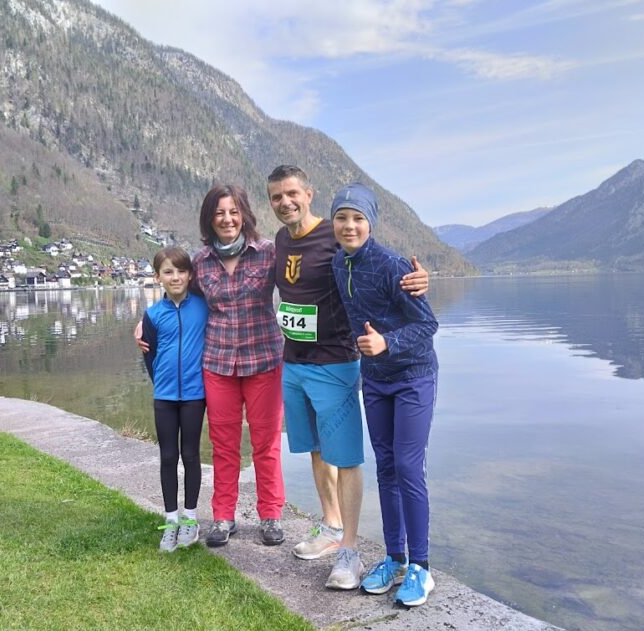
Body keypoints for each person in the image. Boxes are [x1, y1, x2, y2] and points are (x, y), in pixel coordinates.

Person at [267, 165, 429, 590]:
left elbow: (379, 268)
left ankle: (352, 552)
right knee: (316, 449)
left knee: (348, 456)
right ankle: (331, 527)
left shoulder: (335, 238)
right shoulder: (282, 241)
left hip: (335, 361)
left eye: (292, 194)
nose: (285, 202)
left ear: (309, 193)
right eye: (276, 197)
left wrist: (416, 281)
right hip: (294, 362)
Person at [330, 183, 439, 606]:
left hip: (413, 376)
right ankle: (394, 558)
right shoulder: (340, 264)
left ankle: (422, 568)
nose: (350, 225)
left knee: (409, 467)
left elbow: (428, 325)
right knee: (387, 467)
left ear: (371, 223)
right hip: (374, 379)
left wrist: (387, 343)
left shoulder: (393, 265)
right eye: (342, 217)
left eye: (358, 218)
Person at [194, 185, 287, 547]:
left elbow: (304, 284)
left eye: (233, 211)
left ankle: (270, 515)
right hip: (218, 363)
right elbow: (182, 302)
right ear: (210, 218)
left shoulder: (268, 254)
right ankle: (223, 517)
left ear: (244, 214)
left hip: (264, 360)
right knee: (223, 444)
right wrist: (147, 324)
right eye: (219, 213)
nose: (227, 219)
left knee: (266, 444)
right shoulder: (199, 261)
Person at [141, 247, 208, 552]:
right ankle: (171, 521)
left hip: (195, 395)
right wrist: (162, 385)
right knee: (168, 457)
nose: (175, 277)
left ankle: (191, 520)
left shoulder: (203, 306)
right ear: (158, 278)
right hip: (165, 397)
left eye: (181, 271)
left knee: (191, 455)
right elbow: (149, 354)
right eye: (168, 272)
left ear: (190, 274)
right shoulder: (153, 314)